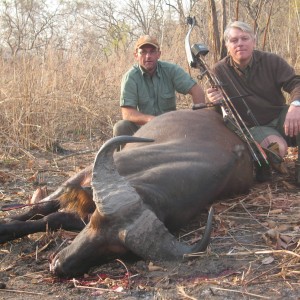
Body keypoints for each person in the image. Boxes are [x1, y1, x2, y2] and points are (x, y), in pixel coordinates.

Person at [206, 21, 300, 184]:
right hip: (256, 127)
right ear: (227, 45)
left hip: (280, 115)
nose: (240, 43)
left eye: (245, 38)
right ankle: (266, 163)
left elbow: (295, 83)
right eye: (234, 40)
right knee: (277, 149)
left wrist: (296, 105)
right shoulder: (218, 71)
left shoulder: (272, 61)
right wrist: (213, 100)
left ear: (254, 41)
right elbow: (218, 112)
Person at [113, 35, 206, 137]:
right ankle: (122, 153)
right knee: (121, 127)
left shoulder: (171, 70)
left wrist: (198, 120)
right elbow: (127, 114)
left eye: (152, 51)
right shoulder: (130, 77)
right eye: (143, 52)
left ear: (159, 54)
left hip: (170, 128)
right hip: (143, 130)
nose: (148, 56)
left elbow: (197, 91)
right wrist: (153, 120)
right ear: (136, 55)